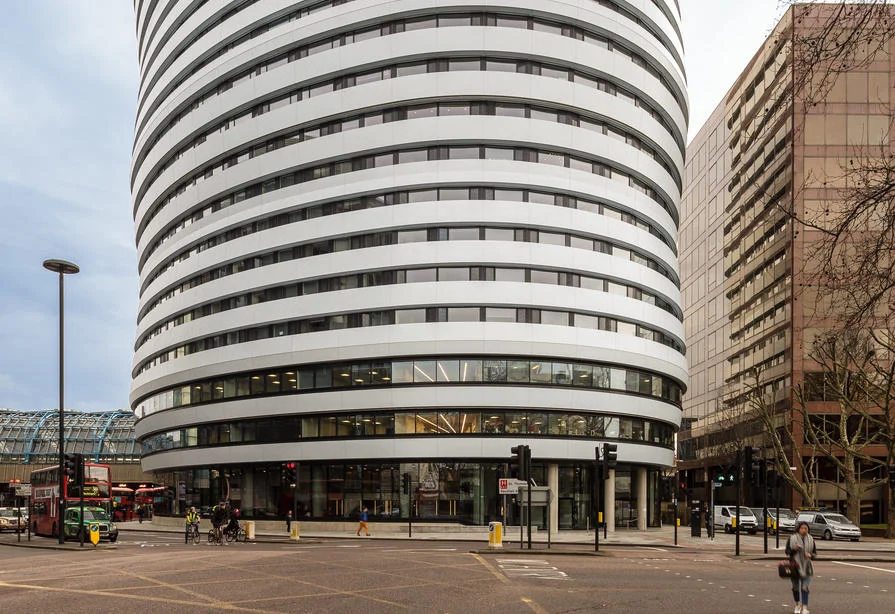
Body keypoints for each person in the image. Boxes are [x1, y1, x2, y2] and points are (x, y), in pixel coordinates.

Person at [786, 521, 817, 614]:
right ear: (798, 529)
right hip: (795, 565)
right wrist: (794, 549)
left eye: (806, 528)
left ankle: (805, 607)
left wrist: (811, 555)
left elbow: (815, 553)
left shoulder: (811, 539)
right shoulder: (792, 538)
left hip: (807, 566)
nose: (804, 530)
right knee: (795, 587)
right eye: (802, 528)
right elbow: (787, 551)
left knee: (805, 587)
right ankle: (797, 604)